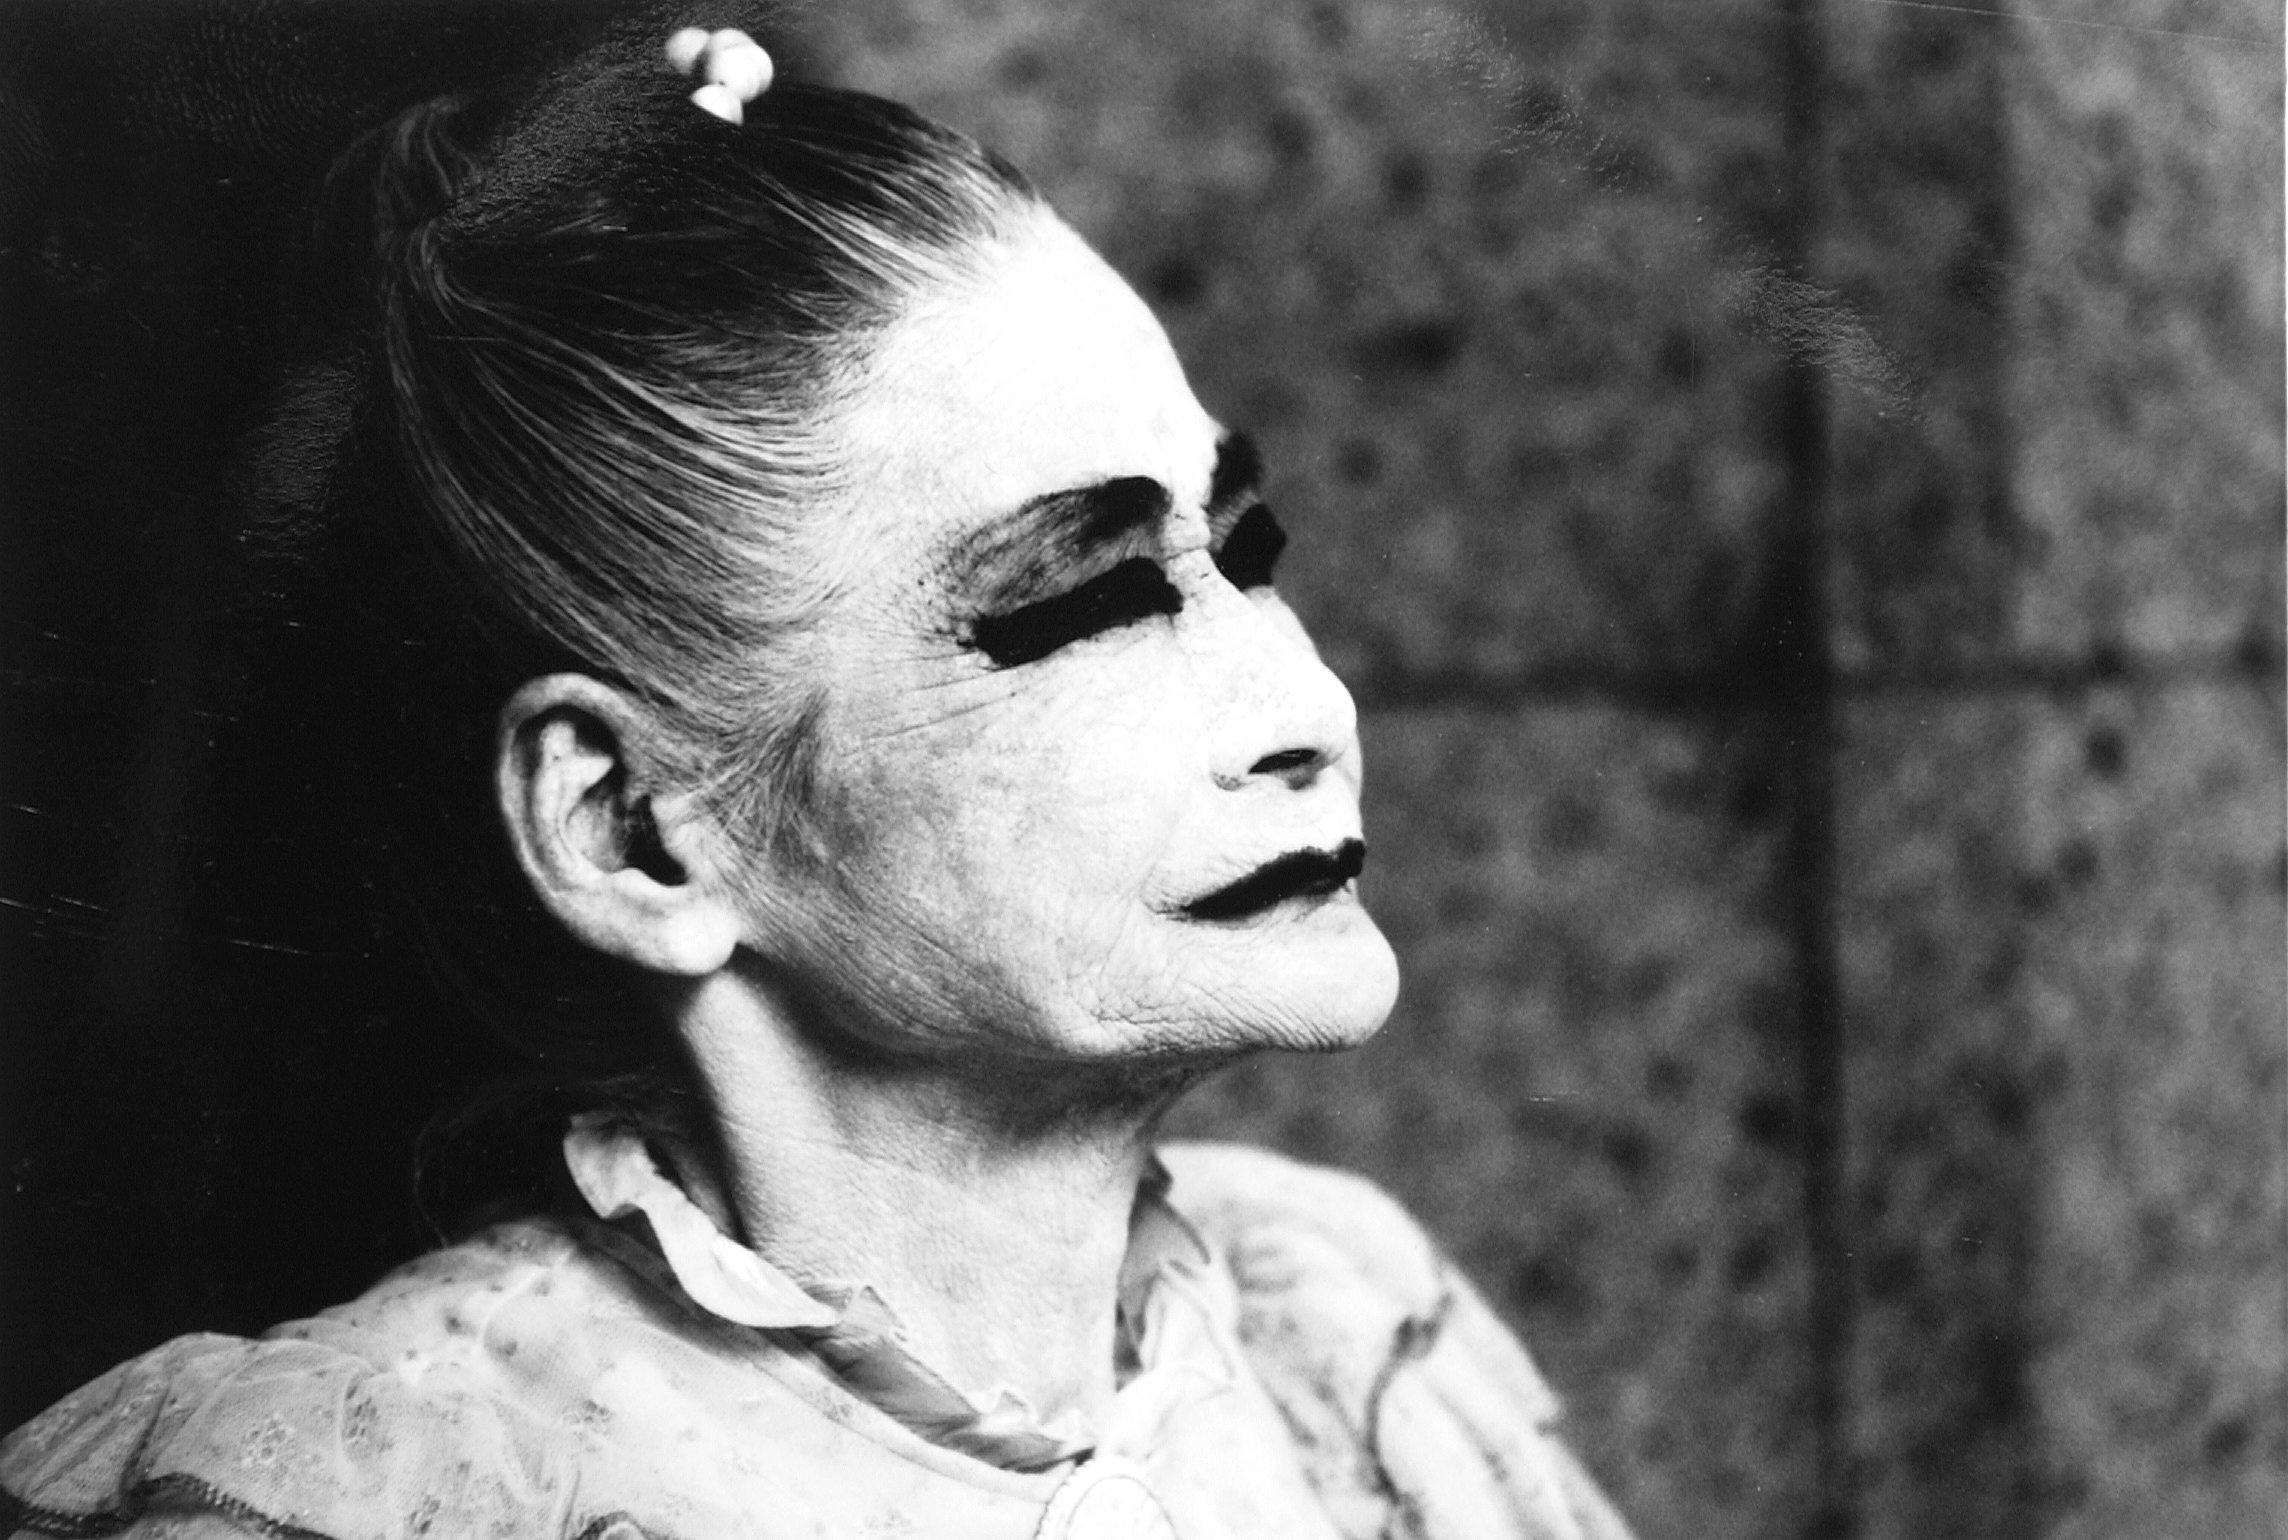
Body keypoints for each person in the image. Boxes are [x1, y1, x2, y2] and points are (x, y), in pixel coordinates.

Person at [0, 19, 1635, 1540]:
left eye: (1246, 550)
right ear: (635, 833)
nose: (1307, 705)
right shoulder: (405, 1486)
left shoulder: (1340, 1333)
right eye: (1086, 602)